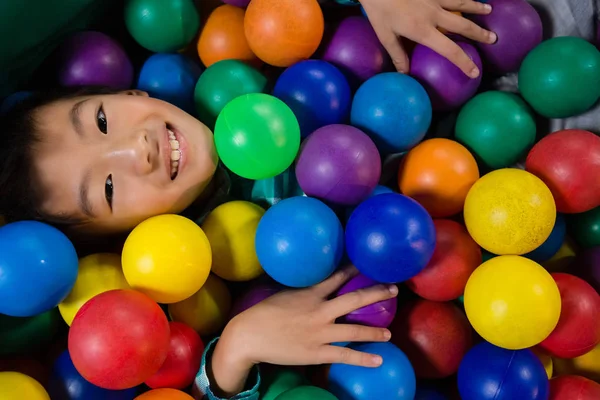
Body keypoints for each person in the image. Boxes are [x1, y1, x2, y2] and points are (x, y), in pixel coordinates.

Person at [0, 1, 598, 400]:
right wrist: (233, 353)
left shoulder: (237, 59)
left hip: (473, 57)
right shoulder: (211, 269)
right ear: (122, 238)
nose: (137, 150)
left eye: (102, 119)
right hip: (521, 207)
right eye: (107, 188)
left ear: (128, 87)